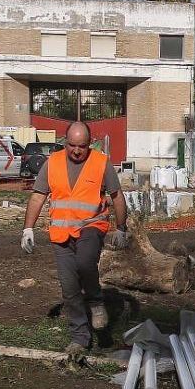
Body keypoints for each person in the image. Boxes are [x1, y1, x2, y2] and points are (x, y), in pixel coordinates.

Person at [21, 121, 130, 360]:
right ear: (64, 141)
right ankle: (79, 337)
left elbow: (117, 196)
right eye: (71, 145)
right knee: (69, 287)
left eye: (81, 146)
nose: (76, 151)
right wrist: (28, 228)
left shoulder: (101, 163)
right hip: (61, 233)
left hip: (91, 226)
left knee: (84, 262)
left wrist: (121, 228)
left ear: (89, 144)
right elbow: (38, 196)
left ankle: (95, 300)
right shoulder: (53, 163)